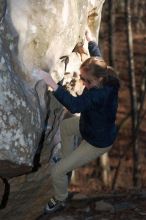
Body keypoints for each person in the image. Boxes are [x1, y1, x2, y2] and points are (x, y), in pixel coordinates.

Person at [35, 30, 120, 214]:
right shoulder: (106, 76)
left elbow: (74, 105)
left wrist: (51, 83)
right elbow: (98, 59)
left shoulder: (98, 95)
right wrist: (91, 42)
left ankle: (60, 198)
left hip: (97, 142)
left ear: (98, 80)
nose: (83, 82)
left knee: (56, 172)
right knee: (66, 127)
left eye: (86, 81)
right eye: (82, 78)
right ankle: (67, 163)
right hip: (91, 127)